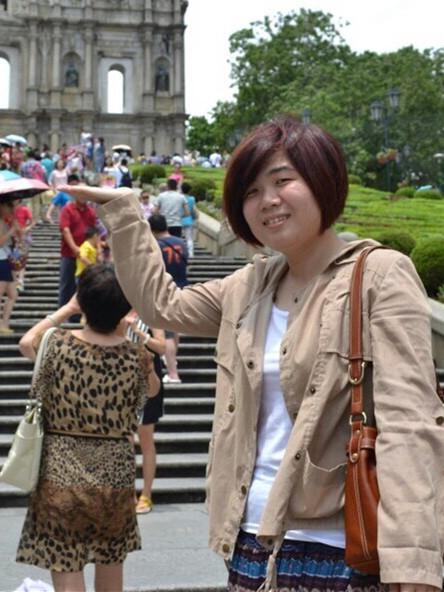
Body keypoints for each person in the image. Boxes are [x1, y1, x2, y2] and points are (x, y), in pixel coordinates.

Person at [59, 116, 444, 592]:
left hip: (341, 549)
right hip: (250, 541)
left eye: (283, 181)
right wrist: (124, 211)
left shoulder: (379, 276)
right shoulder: (249, 286)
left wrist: (413, 559)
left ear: (324, 180)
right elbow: (161, 304)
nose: (268, 200)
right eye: (251, 191)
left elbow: (410, 422)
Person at [16, 264, 160, 592]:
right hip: (114, 472)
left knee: (66, 562)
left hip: (61, 469)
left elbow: (26, 343)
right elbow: (152, 390)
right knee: (111, 564)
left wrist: (66, 309)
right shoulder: (137, 357)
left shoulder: (58, 346)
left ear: (82, 300)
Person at [126, 311, 166, 514]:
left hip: (148, 382)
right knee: (126, 442)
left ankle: (146, 494)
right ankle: (129, 494)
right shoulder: (118, 311)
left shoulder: (149, 315)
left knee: (146, 439)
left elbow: (162, 347)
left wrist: (140, 334)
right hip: (122, 382)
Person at [148, 214, 187, 383]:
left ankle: (173, 373)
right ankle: (173, 359)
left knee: (167, 334)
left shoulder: (157, 245)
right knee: (175, 328)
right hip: (181, 289)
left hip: (164, 291)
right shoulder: (181, 243)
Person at [58, 181, 97, 309]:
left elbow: (94, 232)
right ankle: (63, 314)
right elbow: (65, 230)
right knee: (67, 285)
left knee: (85, 286)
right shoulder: (67, 209)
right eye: (80, 192)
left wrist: (99, 248)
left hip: (87, 255)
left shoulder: (91, 211)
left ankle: (80, 314)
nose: (83, 195)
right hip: (69, 254)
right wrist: (74, 248)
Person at [0, 201, 19, 333]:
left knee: (13, 294)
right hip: (1, 259)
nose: (11, 208)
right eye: (9, 205)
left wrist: (13, 222)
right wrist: (12, 229)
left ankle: (5, 324)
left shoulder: (4, 220)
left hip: (6, 258)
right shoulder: (0, 221)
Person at [12, 198, 35, 291]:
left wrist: (26, 228)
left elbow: (32, 222)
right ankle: (14, 281)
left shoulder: (24, 209)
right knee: (12, 260)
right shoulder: (7, 210)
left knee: (22, 259)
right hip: (10, 238)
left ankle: (20, 281)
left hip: (22, 237)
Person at [180, 182, 197, 257]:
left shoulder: (179, 198)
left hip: (180, 219)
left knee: (179, 237)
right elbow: (193, 209)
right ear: (189, 190)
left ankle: (180, 252)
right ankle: (190, 253)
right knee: (189, 238)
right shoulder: (192, 199)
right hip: (189, 219)